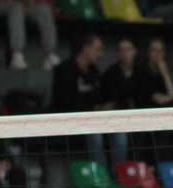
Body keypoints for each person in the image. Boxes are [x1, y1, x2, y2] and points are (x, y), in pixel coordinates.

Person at [50, 33, 126, 171]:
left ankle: (120, 174)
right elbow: (66, 101)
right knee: (94, 133)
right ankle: (102, 175)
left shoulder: (94, 72)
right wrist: (95, 108)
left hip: (94, 118)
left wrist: (104, 107)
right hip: (69, 120)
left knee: (120, 130)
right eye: (98, 49)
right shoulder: (65, 69)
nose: (101, 54)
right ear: (86, 48)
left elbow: (99, 97)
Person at [101, 36, 147, 111]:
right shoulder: (110, 74)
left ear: (135, 51)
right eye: (121, 50)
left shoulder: (142, 72)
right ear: (117, 53)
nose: (124, 53)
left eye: (127, 49)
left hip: (140, 114)